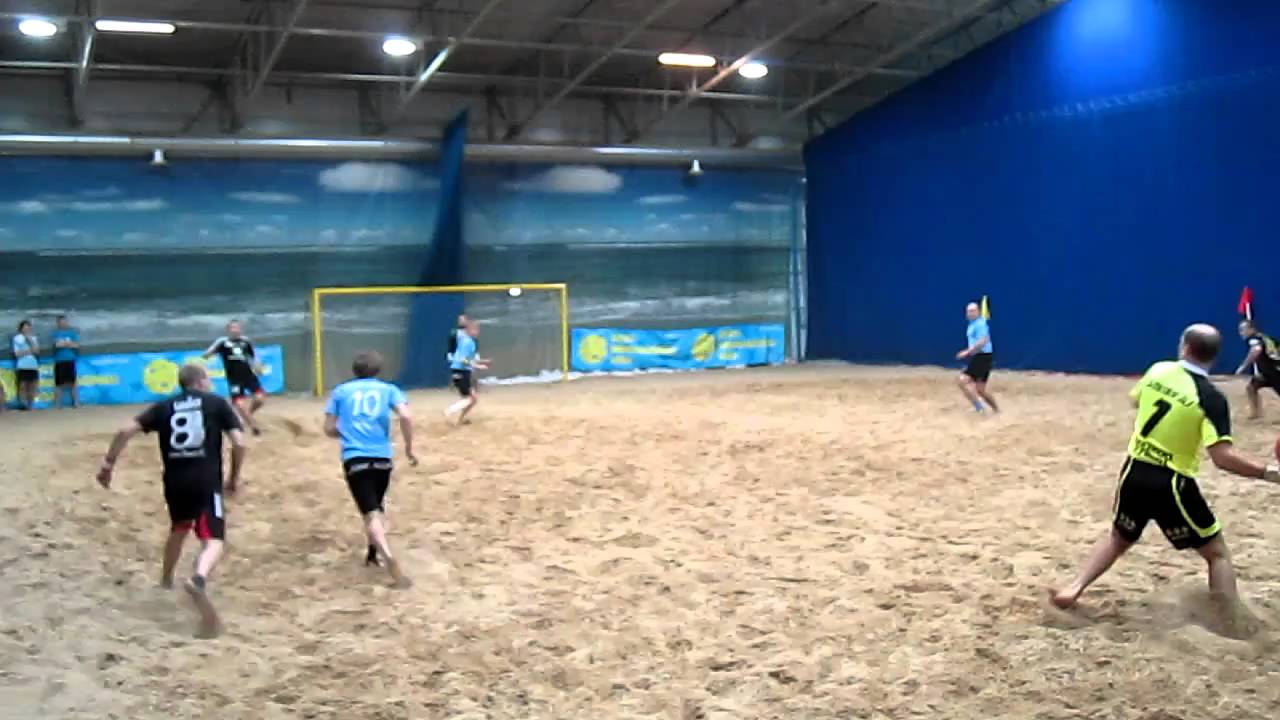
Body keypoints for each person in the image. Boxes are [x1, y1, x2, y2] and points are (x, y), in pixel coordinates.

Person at [1050, 324, 1280, 617]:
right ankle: (1229, 619)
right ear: (1214, 356)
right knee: (1217, 553)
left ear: (1184, 347)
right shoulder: (1211, 399)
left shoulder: (1159, 370)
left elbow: (1135, 400)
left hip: (1134, 470)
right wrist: (1269, 473)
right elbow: (1222, 458)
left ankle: (1074, 587)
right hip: (1172, 482)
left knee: (1118, 538)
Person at [96, 363, 247, 639]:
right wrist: (234, 478)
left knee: (179, 527)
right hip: (205, 480)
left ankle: (166, 580)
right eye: (208, 379)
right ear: (200, 381)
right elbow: (239, 443)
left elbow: (124, 431)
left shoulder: (164, 406)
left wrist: (108, 465)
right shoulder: (216, 403)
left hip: (175, 481)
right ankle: (198, 579)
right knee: (214, 539)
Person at [323, 351, 417, 588]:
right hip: (382, 457)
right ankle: (372, 553)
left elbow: (328, 428)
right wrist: (408, 448)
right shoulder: (389, 389)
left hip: (355, 458)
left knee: (370, 512)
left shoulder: (341, 391)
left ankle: (386, 554)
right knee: (376, 505)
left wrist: (345, 433)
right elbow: (406, 416)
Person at [203, 320, 265, 436]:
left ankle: (248, 415)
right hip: (234, 380)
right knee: (240, 405)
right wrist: (208, 354)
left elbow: (254, 356)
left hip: (249, 376)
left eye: (237, 327)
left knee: (260, 399)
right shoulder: (222, 342)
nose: (235, 330)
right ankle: (253, 426)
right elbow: (207, 354)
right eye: (233, 328)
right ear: (228, 330)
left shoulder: (246, 341)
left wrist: (258, 366)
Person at [955, 302, 999, 413]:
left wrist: (967, 352)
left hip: (982, 357)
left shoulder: (980, 324)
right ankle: (997, 410)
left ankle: (979, 409)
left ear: (978, 312)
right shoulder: (973, 324)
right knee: (980, 389)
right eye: (969, 311)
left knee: (962, 380)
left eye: (973, 311)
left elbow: (982, 341)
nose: (970, 313)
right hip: (981, 357)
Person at [444, 320, 489, 426]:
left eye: (478, 329)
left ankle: (459, 419)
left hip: (462, 371)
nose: (477, 332)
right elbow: (463, 359)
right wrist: (477, 366)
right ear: (469, 330)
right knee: (471, 399)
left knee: (472, 399)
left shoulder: (467, 342)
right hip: (461, 371)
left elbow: (468, 358)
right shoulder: (468, 342)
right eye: (475, 329)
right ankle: (449, 411)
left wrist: (482, 362)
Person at [1234, 319, 1280, 419]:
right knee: (1251, 387)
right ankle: (1256, 413)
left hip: (1275, 372)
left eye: (1242, 329)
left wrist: (1243, 366)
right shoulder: (1265, 337)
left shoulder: (1253, 338)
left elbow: (1256, 350)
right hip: (1267, 373)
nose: (1240, 332)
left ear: (1251, 329)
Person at [51, 314, 81, 409]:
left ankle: (76, 403)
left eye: (64, 321)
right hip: (59, 360)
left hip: (70, 360)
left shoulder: (72, 333)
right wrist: (68, 344)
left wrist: (65, 343)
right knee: (59, 384)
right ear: (58, 323)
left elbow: (76, 345)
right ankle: (57, 404)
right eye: (61, 322)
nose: (63, 323)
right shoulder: (55, 333)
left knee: (73, 383)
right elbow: (57, 345)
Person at [11, 320, 39, 411]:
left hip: (33, 365)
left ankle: (30, 406)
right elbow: (17, 354)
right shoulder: (17, 338)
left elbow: (37, 351)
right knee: (22, 386)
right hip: (22, 365)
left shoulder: (33, 338)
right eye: (25, 327)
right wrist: (29, 351)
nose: (27, 328)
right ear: (21, 328)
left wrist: (30, 340)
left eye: (28, 326)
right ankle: (23, 405)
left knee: (32, 386)